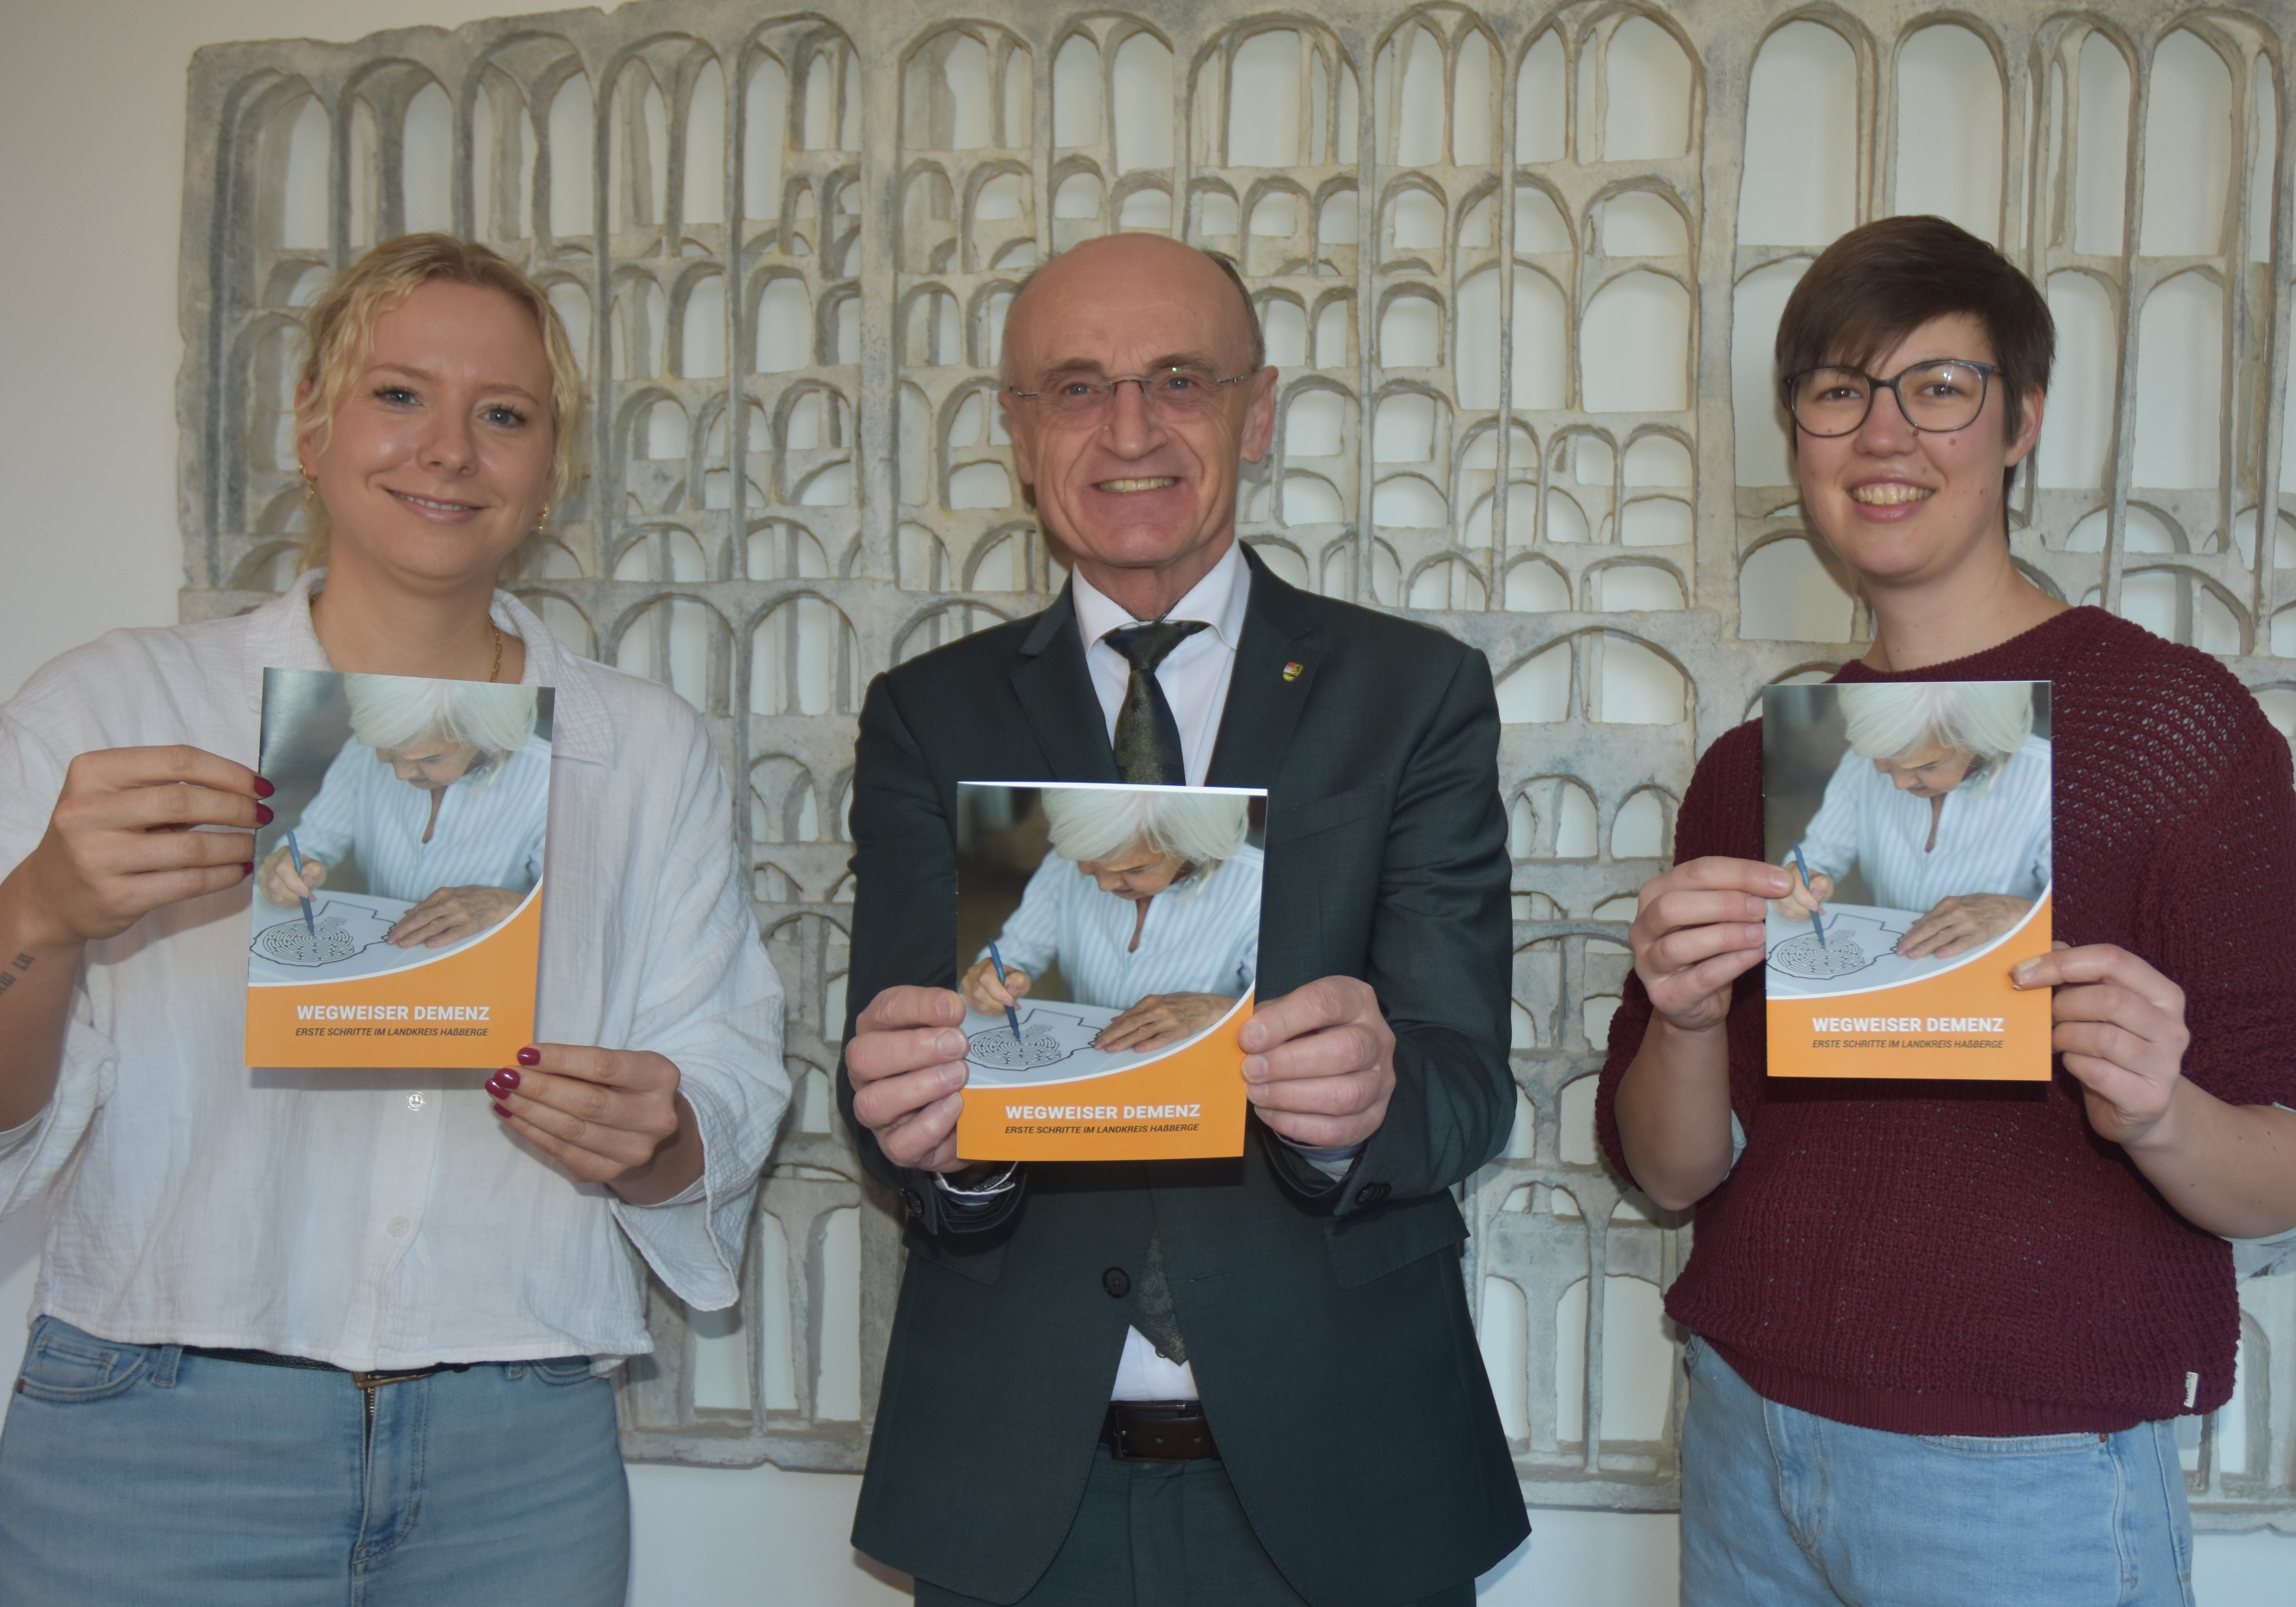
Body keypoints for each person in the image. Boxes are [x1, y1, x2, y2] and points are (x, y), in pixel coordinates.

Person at [0, 234, 786, 1605]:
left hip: (517, 1455)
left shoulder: (644, 746)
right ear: (310, 422)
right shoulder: (110, 712)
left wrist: (656, 1136)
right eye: (398, 395)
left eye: (504, 414)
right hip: (154, 1433)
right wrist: (42, 912)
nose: (451, 450)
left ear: (551, 465)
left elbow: (720, 1065)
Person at [1599, 215, 2296, 1606]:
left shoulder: (2176, 726)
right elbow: (1668, 1173)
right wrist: (1678, 1018)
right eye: (1836, 391)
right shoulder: (1752, 769)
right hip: (1744, 1426)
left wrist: (2157, 1108)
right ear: (1795, 433)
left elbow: (2277, 1166)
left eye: (1938, 387)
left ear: (2019, 418)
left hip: (2028, 1462)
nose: (1882, 435)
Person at [837, 233, 1526, 1607]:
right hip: (1016, 1484)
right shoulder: (926, 713)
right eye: (1076, 387)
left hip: (1351, 1474)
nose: (1130, 427)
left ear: (1255, 411)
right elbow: (900, 1086)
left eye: (1178, 380)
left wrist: (1361, 1104)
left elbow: (1465, 1085)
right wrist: (933, 1131)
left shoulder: (1413, 693)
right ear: (1017, 433)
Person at [961, 786, 1261, 1054]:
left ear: (1195, 845)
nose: (1103, 885)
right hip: (1090, 1065)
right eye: (1090, 862)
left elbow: (1289, 1017)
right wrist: (989, 980)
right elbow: (1014, 953)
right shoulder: (1064, 865)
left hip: (1198, 1076)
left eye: (1136, 869)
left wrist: (1221, 1010)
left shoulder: (1259, 888)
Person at [258, 675, 550, 949]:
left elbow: (577, 915)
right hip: (383, 955)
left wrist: (509, 904)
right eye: (387, 752)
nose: (400, 773)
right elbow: (311, 843)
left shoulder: (548, 779)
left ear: (490, 737)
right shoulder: (361, 752)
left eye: (430, 758)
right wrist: (287, 871)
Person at [1777, 680, 2051, 958]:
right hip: (1893, 965)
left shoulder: (2050, 780)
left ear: (1986, 740)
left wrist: (2020, 913)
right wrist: (1798, 885)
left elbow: (2087, 917)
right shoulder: (1861, 762)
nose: (1899, 783)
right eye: (1884, 760)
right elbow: (1819, 855)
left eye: (1929, 765)